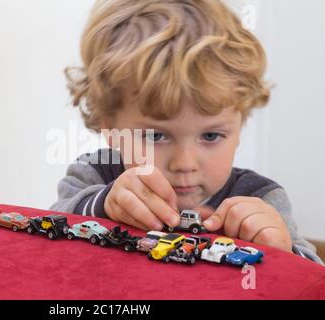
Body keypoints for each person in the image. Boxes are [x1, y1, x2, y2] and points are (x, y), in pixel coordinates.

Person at [50, 0, 322, 264]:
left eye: (211, 136)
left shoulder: (260, 197)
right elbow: (48, 231)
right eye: (156, 136)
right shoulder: (95, 172)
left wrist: (282, 253)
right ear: (109, 126)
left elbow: (313, 276)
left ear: (240, 127)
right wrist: (105, 205)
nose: (185, 164)